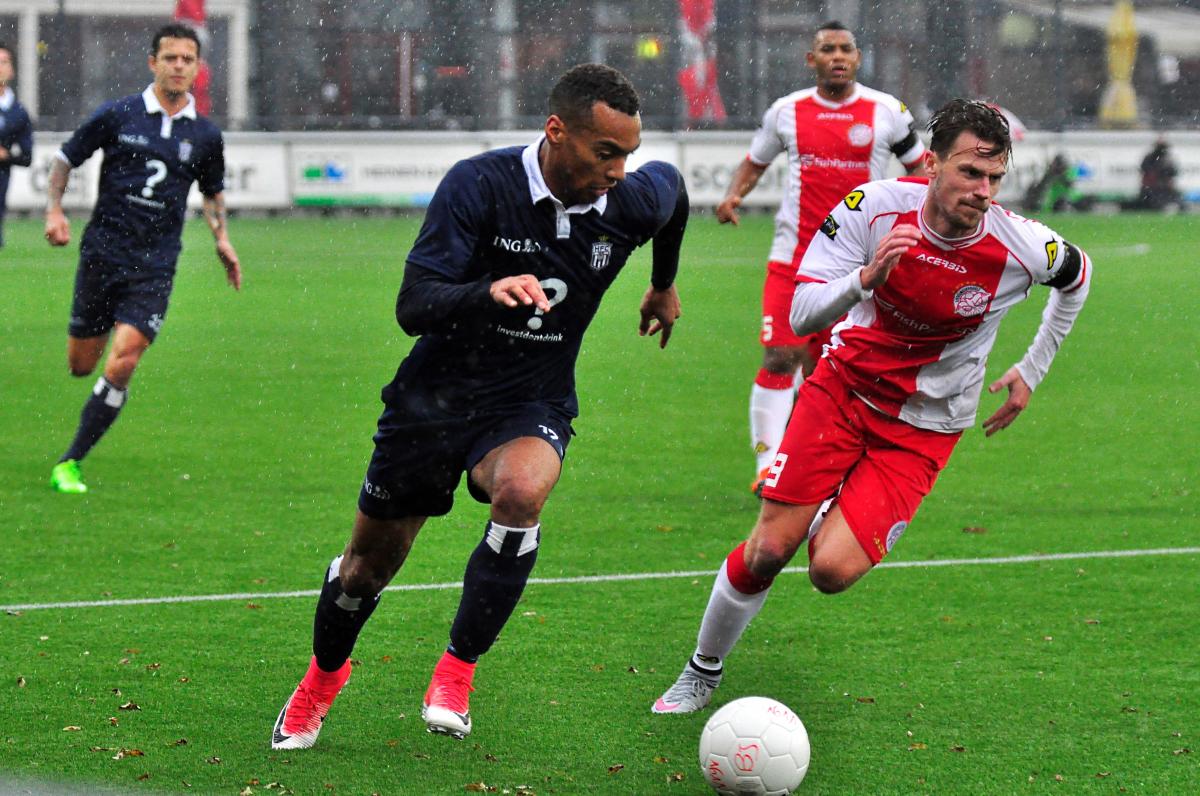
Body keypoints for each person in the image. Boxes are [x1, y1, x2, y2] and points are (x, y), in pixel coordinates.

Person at [271, 63, 688, 750]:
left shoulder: (629, 201)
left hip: (530, 399)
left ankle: (457, 670)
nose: (619, 170)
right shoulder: (480, 184)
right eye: (605, 152)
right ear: (557, 131)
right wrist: (483, 292)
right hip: (434, 400)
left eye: (628, 156)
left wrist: (662, 285)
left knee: (522, 492)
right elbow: (413, 306)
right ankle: (322, 678)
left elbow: (671, 199)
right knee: (363, 571)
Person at [652, 99, 1091, 714]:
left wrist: (1032, 369)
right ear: (932, 164)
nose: (982, 191)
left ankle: (835, 498)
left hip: (926, 428)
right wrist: (865, 280)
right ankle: (702, 669)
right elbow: (801, 315)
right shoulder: (871, 208)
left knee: (830, 571)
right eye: (970, 172)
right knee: (769, 550)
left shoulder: (1021, 245)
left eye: (994, 177)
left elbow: (1078, 274)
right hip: (843, 392)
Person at [715, 21, 926, 495]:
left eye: (845, 49)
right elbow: (756, 161)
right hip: (793, 258)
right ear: (811, 60)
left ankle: (820, 463)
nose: (837, 56)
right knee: (780, 355)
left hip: (859, 265)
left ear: (857, 57)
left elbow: (921, 171)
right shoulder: (786, 112)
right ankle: (767, 465)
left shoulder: (887, 111)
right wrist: (733, 195)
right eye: (827, 49)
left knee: (831, 371)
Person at [45, 23, 241, 494]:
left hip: (154, 265)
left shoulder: (206, 135)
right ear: (152, 63)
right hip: (102, 256)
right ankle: (91, 386)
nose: (178, 66)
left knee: (125, 360)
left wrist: (222, 238)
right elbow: (65, 158)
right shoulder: (119, 115)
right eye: (170, 58)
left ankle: (70, 461)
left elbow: (212, 193)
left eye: (187, 59)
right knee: (80, 364)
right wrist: (54, 209)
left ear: (197, 67)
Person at [0, 42, 33, 249]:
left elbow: (27, 156)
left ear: (11, 70)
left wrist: (6, 155)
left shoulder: (18, 114)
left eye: (4, 62)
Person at [1137, 137, 1181, 211]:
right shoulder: (1149, 158)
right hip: (1151, 188)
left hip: (1165, 188)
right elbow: (1145, 170)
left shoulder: (1168, 159)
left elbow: (1173, 172)